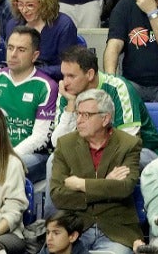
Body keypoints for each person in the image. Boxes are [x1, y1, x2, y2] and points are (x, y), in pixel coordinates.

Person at [48, 89, 143, 254]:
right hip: (77, 227)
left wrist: (81, 184)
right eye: (78, 114)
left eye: (86, 115)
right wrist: (106, 183)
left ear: (105, 118)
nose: (79, 120)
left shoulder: (129, 144)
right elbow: (58, 195)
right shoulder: (65, 144)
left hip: (116, 230)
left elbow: (124, 188)